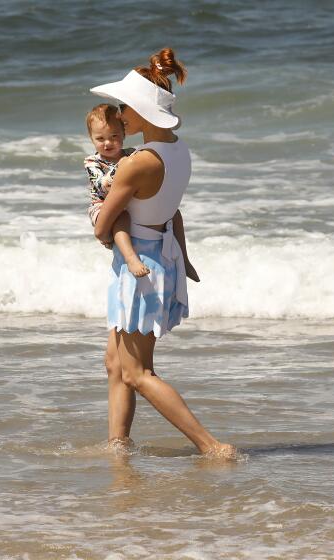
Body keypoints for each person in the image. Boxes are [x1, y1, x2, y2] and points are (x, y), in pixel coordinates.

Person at [90, 48, 236, 458]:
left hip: (142, 265)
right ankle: (118, 446)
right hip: (159, 256)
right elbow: (174, 211)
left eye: (125, 109)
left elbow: (104, 226)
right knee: (115, 365)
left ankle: (212, 446)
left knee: (137, 372)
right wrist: (184, 259)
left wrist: (101, 223)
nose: (120, 116)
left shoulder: (139, 162)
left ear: (141, 113)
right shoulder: (178, 150)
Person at [84, 103, 200, 281]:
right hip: (101, 206)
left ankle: (185, 259)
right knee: (122, 218)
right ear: (91, 139)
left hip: (122, 203)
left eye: (114, 136)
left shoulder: (131, 154)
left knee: (174, 214)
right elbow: (100, 185)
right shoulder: (92, 161)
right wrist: (120, 169)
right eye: (100, 138)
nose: (107, 143)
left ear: (124, 134)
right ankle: (131, 258)